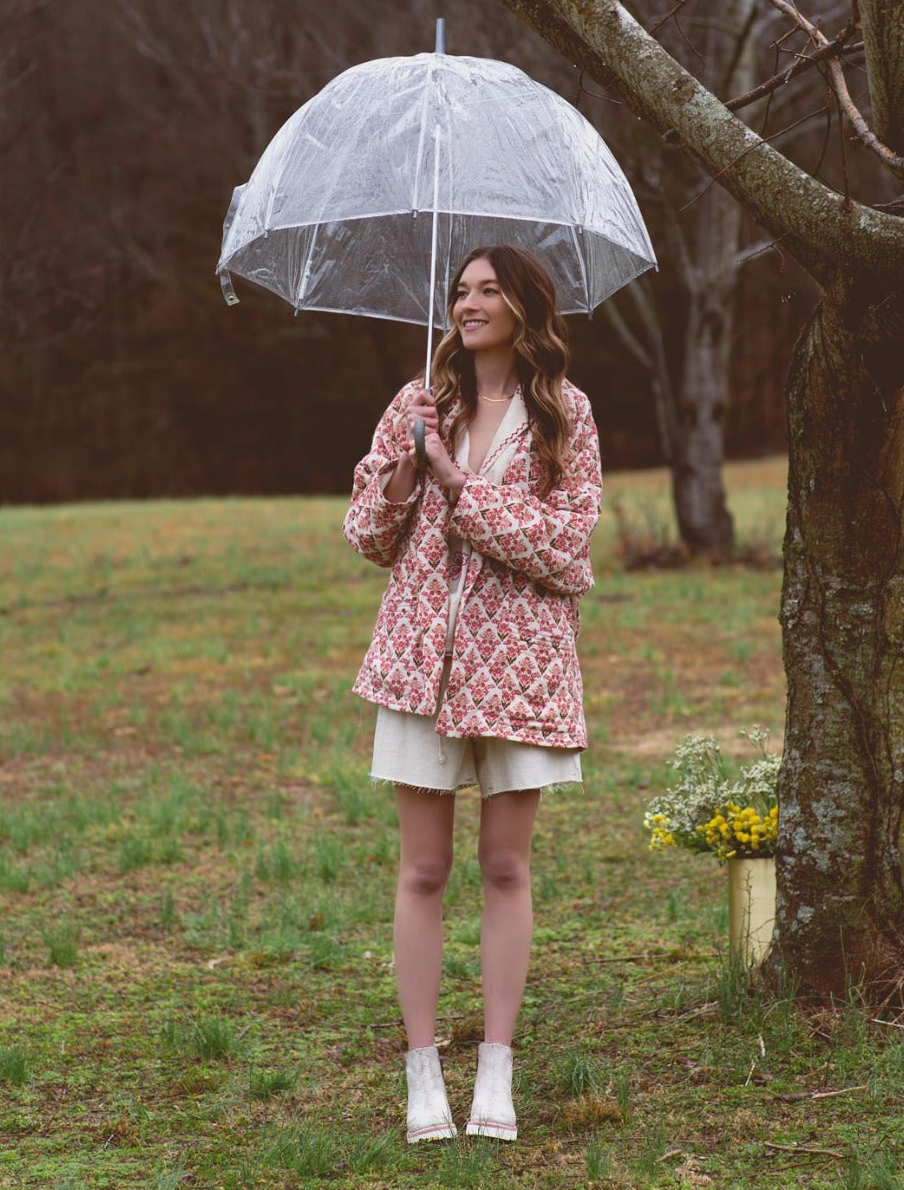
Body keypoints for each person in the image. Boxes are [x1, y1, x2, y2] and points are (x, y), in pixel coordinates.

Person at [343, 245, 602, 1144]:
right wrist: (410, 468)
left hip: (519, 666)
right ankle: (423, 1076)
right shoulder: (419, 403)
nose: (468, 303)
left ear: (528, 306)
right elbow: (368, 535)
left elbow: (566, 548)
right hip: (421, 660)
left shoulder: (566, 414)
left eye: (489, 290)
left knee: (504, 866)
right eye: (460, 291)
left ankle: (497, 1069)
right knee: (422, 869)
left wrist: (463, 492)